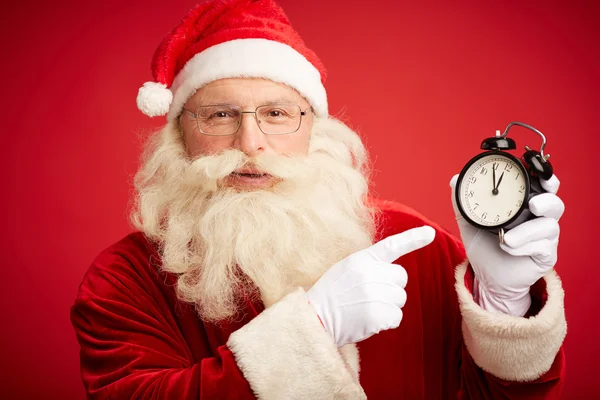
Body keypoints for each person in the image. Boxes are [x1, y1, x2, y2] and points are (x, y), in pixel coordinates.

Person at [70, 0, 567, 398]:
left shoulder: (411, 244)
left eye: (278, 113)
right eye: (219, 115)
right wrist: (313, 329)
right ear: (179, 135)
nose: (250, 142)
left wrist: (505, 305)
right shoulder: (123, 280)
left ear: (315, 129)